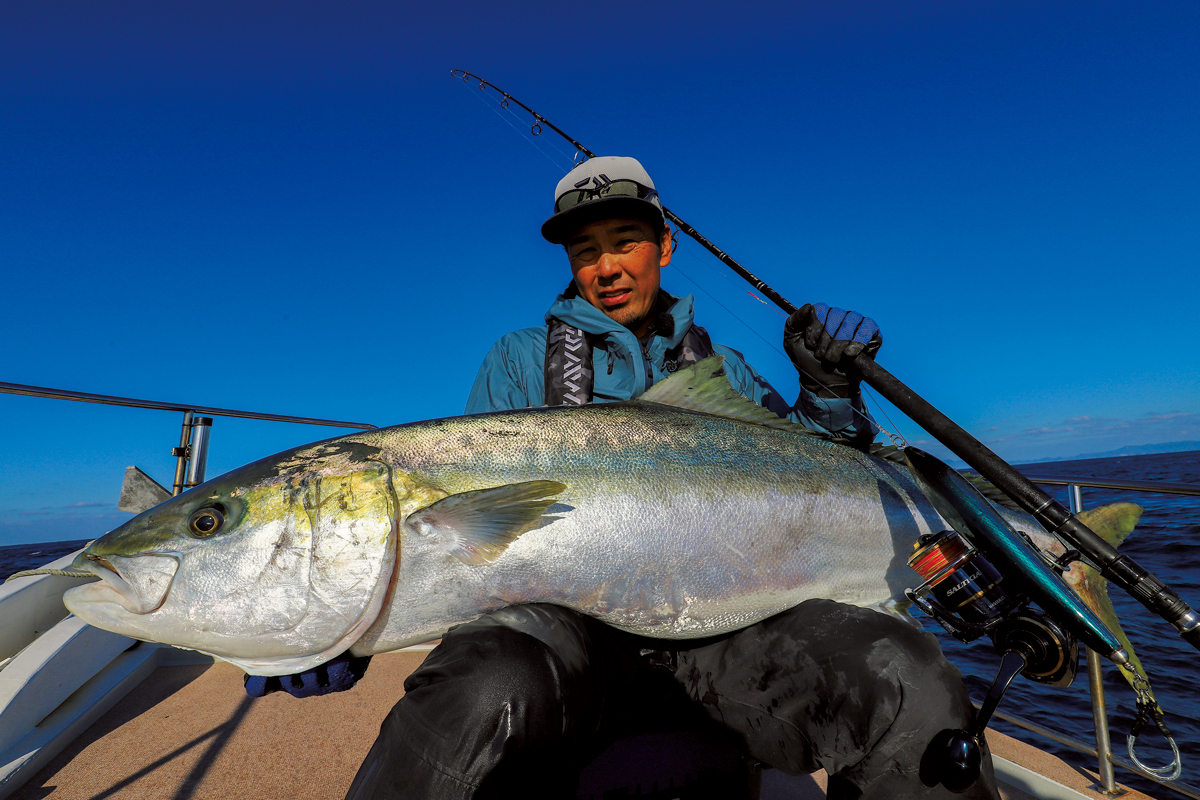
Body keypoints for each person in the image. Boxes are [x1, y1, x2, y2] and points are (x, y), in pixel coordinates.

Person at [296, 157, 999, 799]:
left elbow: (814, 482)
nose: (606, 267)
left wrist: (830, 396)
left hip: (727, 632)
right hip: (564, 634)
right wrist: (342, 630)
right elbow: (470, 537)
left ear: (664, 247)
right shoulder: (519, 360)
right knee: (483, 687)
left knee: (905, 677)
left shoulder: (723, 371)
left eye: (625, 240)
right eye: (585, 250)